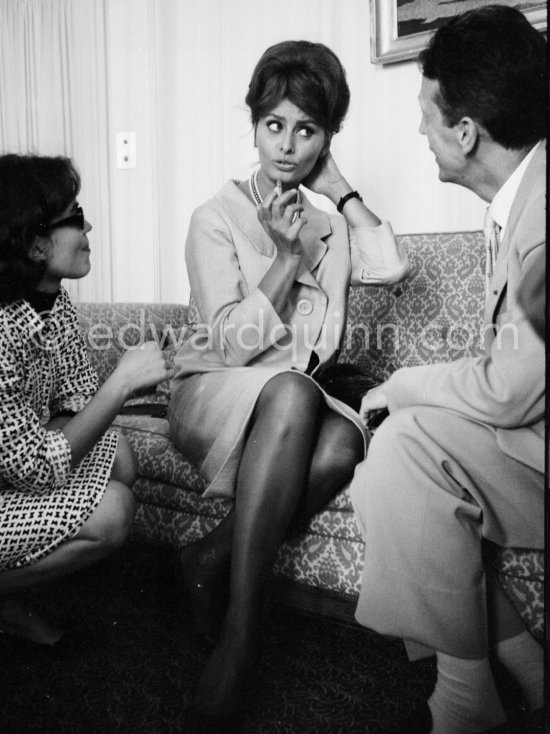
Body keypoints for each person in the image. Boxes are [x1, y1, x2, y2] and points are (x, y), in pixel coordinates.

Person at [168, 40, 409, 722]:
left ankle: (210, 554)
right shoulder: (213, 218)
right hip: (214, 390)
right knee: (298, 393)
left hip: (291, 403)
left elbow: (391, 268)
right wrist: (281, 256)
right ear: (253, 126)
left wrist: (343, 192)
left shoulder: (329, 226)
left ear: (327, 140)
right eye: (274, 124)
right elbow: (235, 347)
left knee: (342, 443)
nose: (286, 145)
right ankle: (242, 640)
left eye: (307, 129)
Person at [349, 6, 546, 734]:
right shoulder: (524, 201)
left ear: (466, 132)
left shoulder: (544, 214)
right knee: (395, 455)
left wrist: (403, 385)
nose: (421, 134)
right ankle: (514, 662)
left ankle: (468, 696)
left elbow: (510, 388)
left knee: (399, 447)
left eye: (427, 116)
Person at [0, 154, 171, 645]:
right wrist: (120, 384)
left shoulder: (53, 300)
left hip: (15, 469)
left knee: (120, 458)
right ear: (35, 243)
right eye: (75, 216)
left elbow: (75, 395)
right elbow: (35, 468)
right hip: (13, 478)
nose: (88, 224)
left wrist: (125, 385)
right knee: (114, 511)